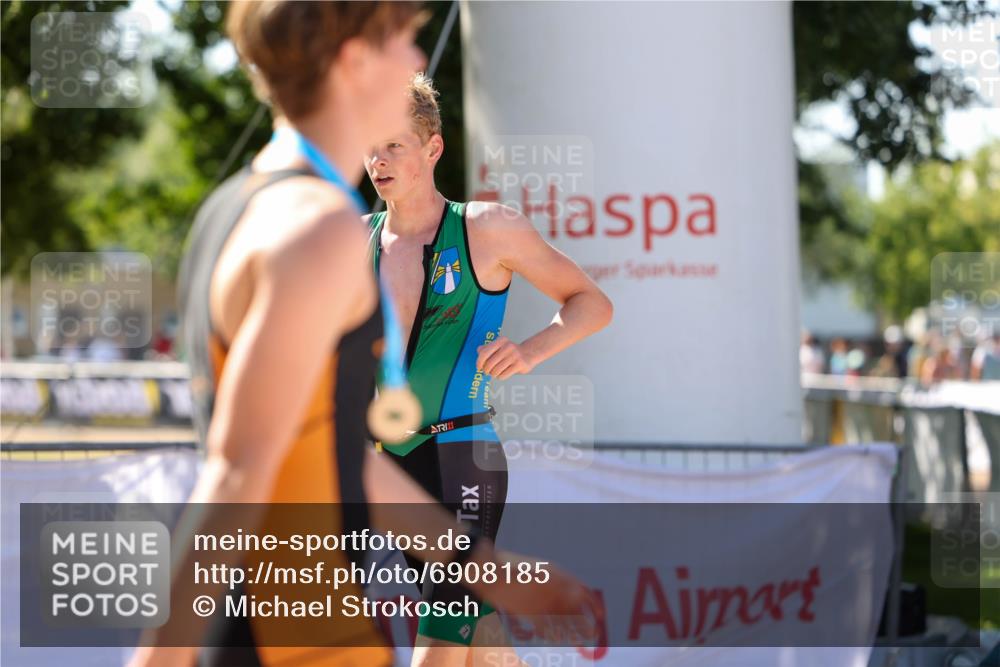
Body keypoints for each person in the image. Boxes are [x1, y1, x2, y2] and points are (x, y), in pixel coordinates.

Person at [129, 5, 598, 667]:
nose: (415, 59)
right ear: (354, 60)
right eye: (402, 39)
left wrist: (487, 567)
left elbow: (328, 443)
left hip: (316, 607)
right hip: (292, 632)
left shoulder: (236, 206)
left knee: (471, 641)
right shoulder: (319, 229)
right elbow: (235, 474)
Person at [365, 73, 613, 667]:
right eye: (369, 145)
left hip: (463, 456)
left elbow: (592, 304)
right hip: (391, 468)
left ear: (433, 148)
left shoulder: (486, 227)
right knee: (475, 626)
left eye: (394, 144)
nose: (377, 160)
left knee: (441, 635)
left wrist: (530, 351)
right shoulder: (357, 243)